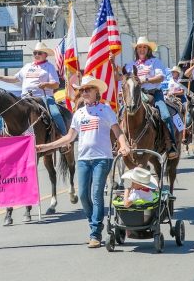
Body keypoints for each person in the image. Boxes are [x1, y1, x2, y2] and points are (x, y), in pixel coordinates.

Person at [36, 76, 130, 248]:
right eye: (82, 90)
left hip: (102, 158)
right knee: (83, 197)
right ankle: (94, 223)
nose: (84, 92)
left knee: (96, 194)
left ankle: (95, 233)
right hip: (84, 159)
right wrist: (45, 146)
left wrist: (123, 145)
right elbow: (69, 137)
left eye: (88, 89)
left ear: (96, 92)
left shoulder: (105, 110)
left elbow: (118, 131)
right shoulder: (79, 113)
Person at [120, 36, 178, 158]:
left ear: (148, 49)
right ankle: (119, 143)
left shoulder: (155, 62)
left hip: (154, 93)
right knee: (120, 113)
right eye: (139, 47)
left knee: (166, 115)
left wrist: (145, 79)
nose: (142, 49)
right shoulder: (131, 64)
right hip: (137, 94)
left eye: (144, 47)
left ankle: (170, 143)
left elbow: (161, 77)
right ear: (136, 49)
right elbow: (123, 79)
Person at [0, 41, 67, 136]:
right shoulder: (27, 66)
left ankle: (64, 138)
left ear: (45, 55)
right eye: (35, 53)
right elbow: (15, 78)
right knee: (10, 112)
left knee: (55, 114)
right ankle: (9, 136)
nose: (36, 55)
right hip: (25, 98)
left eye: (39, 53)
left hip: (44, 97)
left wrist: (46, 84)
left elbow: (56, 84)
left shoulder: (49, 67)